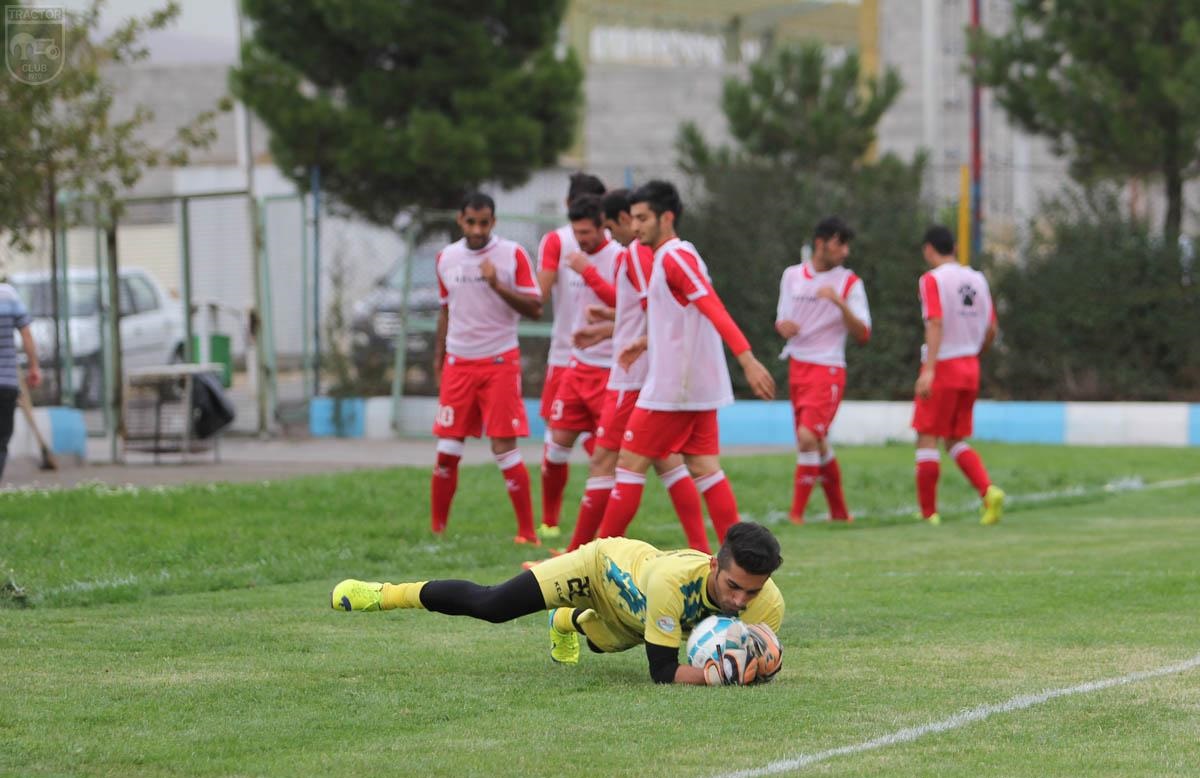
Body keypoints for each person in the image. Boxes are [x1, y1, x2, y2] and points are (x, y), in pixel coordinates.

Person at [331, 521, 785, 686]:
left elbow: (753, 655)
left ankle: (565, 622)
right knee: (492, 605)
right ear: (713, 563)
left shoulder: (768, 606)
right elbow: (662, 673)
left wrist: (762, 664)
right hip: (597, 568)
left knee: (601, 644)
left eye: (752, 591)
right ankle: (384, 593)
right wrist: (715, 677)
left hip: (633, 619)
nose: (740, 601)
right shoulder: (673, 581)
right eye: (732, 586)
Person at [593, 180, 776, 544]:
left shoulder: (675, 256)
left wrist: (747, 358)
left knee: (628, 463)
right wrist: (647, 342)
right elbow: (684, 318)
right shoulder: (669, 257)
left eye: (643, 218)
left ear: (667, 217)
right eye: (633, 218)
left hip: (674, 388)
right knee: (705, 469)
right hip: (692, 386)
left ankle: (591, 567)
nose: (635, 226)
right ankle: (736, 563)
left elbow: (711, 305)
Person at [557, 188, 710, 554]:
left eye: (612, 227)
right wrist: (606, 326)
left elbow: (654, 310)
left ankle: (581, 555)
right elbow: (645, 311)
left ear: (624, 220)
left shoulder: (638, 256)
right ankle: (701, 551)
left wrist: (628, 336)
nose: (614, 235)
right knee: (666, 462)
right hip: (641, 371)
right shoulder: (640, 255)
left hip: (633, 377)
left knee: (607, 461)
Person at [430, 192, 543, 543]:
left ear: (494, 222)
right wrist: (440, 359)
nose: (477, 229)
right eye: (471, 222)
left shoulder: (512, 255)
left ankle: (527, 532)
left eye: (484, 222)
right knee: (447, 450)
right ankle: (437, 531)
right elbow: (446, 311)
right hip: (459, 364)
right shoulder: (446, 258)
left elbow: (536, 308)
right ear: (460, 221)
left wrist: (497, 284)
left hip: (499, 362)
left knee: (504, 448)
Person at [775, 216, 871, 524]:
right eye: (839, 243)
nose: (845, 251)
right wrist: (783, 326)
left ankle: (796, 515)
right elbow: (782, 319)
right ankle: (840, 513)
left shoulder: (849, 283)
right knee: (816, 441)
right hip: (797, 365)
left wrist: (840, 303)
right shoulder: (792, 276)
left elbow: (863, 334)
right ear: (821, 243)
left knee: (806, 438)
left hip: (827, 368)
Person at [912, 225, 1005, 526]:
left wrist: (929, 370)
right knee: (954, 438)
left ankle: (929, 513)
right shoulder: (977, 279)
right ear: (953, 247)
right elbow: (991, 328)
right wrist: (975, 353)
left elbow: (935, 322)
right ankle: (988, 492)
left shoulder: (931, 280)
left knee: (927, 436)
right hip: (970, 365)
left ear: (929, 249)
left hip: (944, 365)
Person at [536, 173, 608, 539]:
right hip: (566, 357)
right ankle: (550, 521)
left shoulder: (615, 247)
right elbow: (539, 295)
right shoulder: (557, 241)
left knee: (605, 450)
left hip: (607, 364)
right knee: (556, 445)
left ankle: (602, 525)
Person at [0, 279, 41, 481]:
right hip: (7, 382)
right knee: (2, 439)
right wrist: (34, 366)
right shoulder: (8, 295)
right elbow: (26, 334)